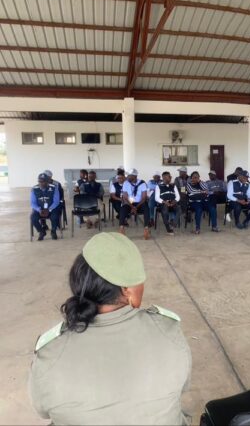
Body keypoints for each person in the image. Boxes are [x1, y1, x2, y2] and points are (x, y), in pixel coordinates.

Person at [29, 233, 191, 424]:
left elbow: (41, 409)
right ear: (126, 289)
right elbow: (183, 386)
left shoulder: (50, 352)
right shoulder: (169, 331)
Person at [119, 169, 151, 240]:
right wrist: (132, 207)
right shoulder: (126, 183)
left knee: (146, 208)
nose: (127, 177)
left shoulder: (142, 183)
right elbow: (125, 197)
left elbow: (144, 197)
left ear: (134, 176)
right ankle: (121, 228)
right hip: (129, 203)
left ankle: (146, 228)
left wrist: (136, 207)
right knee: (123, 209)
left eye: (129, 175)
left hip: (140, 203)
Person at [31, 173, 62, 241]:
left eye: (43, 181)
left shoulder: (54, 188)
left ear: (47, 181)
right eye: (39, 181)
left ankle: (53, 231)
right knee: (33, 218)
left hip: (52, 208)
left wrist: (49, 209)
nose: (41, 183)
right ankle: (41, 232)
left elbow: (56, 201)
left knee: (55, 216)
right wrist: (39, 210)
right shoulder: (34, 189)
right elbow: (33, 203)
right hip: (40, 209)